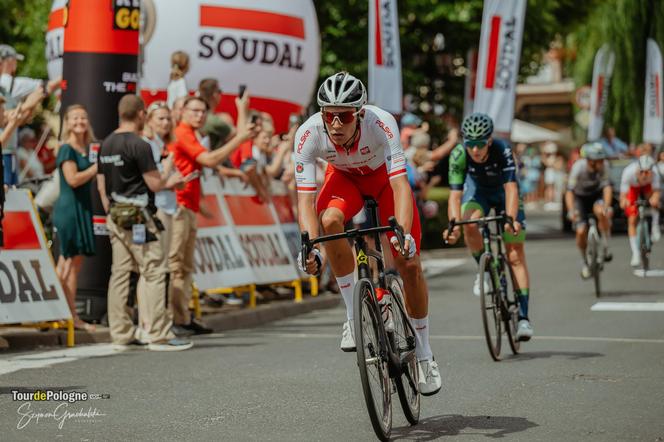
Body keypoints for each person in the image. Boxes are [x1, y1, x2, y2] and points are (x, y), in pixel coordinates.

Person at [295, 72, 441, 396]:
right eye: (328, 115)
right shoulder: (307, 134)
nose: (335, 124)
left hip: (383, 182)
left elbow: (400, 184)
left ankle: (425, 351)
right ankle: (351, 316)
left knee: (410, 265)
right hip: (345, 181)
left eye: (343, 116)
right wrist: (309, 246)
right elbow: (305, 199)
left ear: (359, 114)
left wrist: (402, 234)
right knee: (330, 220)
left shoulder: (381, 123)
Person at [97, 94, 192, 352]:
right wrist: (171, 175)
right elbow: (155, 185)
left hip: (116, 214)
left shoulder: (106, 143)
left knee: (120, 272)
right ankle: (157, 334)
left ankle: (120, 333)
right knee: (154, 270)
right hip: (140, 215)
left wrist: (111, 210)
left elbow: (101, 183)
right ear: (141, 114)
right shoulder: (139, 145)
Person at [442, 113, 534, 342]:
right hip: (478, 193)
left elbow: (512, 189)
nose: (475, 149)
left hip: (504, 194)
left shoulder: (502, 149)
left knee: (515, 254)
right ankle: (484, 269)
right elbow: (455, 197)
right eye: (470, 143)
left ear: (490, 140)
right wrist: (453, 224)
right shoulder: (458, 154)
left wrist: (511, 219)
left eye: (480, 143)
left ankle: (523, 318)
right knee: (469, 224)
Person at [168, 94, 255, 335]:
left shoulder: (192, 133)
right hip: (179, 206)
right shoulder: (182, 132)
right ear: (183, 111)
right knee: (176, 266)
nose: (199, 115)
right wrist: (240, 138)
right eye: (194, 110)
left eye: (202, 111)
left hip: (189, 206)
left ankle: (182, 316)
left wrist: (241, 111)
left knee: (184, 267)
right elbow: (209, 160)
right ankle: (175, 318)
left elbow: (214, 162)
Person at [52, 105, 99, 331]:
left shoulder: (85, 149)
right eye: (75, 118)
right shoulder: (66, 149)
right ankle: (71, 316)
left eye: (83, 117)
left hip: (82, 208)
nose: (80, 121)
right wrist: (95, 169)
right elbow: (72, 179)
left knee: (69, 264)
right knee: (69, 264)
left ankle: (64, 312)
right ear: (68, 122)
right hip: (70, 210)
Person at [564, 142, 613, 278]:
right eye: (600, 160)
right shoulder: (578, 167)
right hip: (580, 198)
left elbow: (607, 187)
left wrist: (607, 207)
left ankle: (605, 244)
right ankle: (586, 262)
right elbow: (569, 191)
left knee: (601, 211)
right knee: (580, 231)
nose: (603, 162)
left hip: (596, 195)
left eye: (603, 159)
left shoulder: (605, 166)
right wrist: (571, 210)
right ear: (591, 160)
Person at [620, 155, 661, 267]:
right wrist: (625, 202)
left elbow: (656, 192)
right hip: (633, 188)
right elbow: (623, 196)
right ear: (637, 169)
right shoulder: (628, 172)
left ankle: (655, 226)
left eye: (647, 173)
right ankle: (635, 253)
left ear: (652, 171)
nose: (644, 175)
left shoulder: (655, 174)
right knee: (632, 218)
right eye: (641, 172)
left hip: (648, 187)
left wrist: (654, 199)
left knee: (655, 203)